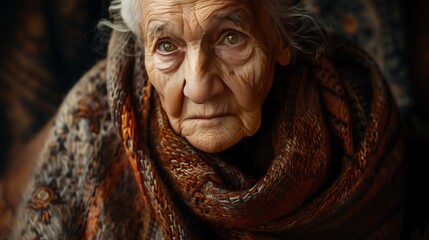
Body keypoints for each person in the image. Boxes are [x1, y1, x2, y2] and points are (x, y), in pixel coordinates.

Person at [6, 0, 406, 239]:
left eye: (231, 37)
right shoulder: (88, 130)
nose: (198, 87)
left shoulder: (363, 124)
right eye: (166, 46)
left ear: (281, 39)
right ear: (142, 49)